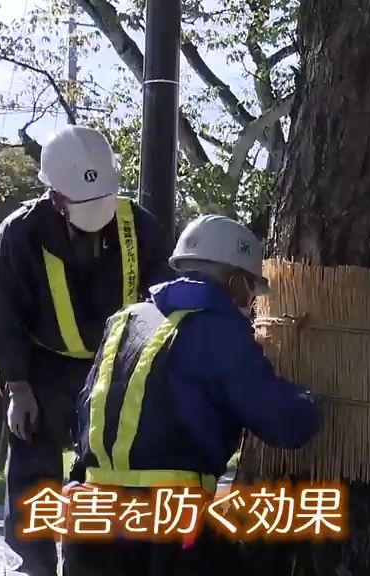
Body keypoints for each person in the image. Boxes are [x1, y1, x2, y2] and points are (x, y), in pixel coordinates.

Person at [60, 214, 321, 576]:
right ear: (233, 282)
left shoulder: (124, 321)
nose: (251, 303)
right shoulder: (219, 330)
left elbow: (90, 407)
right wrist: (313, 401)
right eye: (250, 288)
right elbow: (284, 423)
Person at [0, 125, 173, 576]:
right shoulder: (19, 235)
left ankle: (89, 566)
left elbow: (163, 306)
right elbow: (6, 317)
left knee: (105, 477)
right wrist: (17, 387)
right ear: (55, 196)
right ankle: (30, 566)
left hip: (116, 372)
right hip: (43, 370)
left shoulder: (141, 228)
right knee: (33, 474)